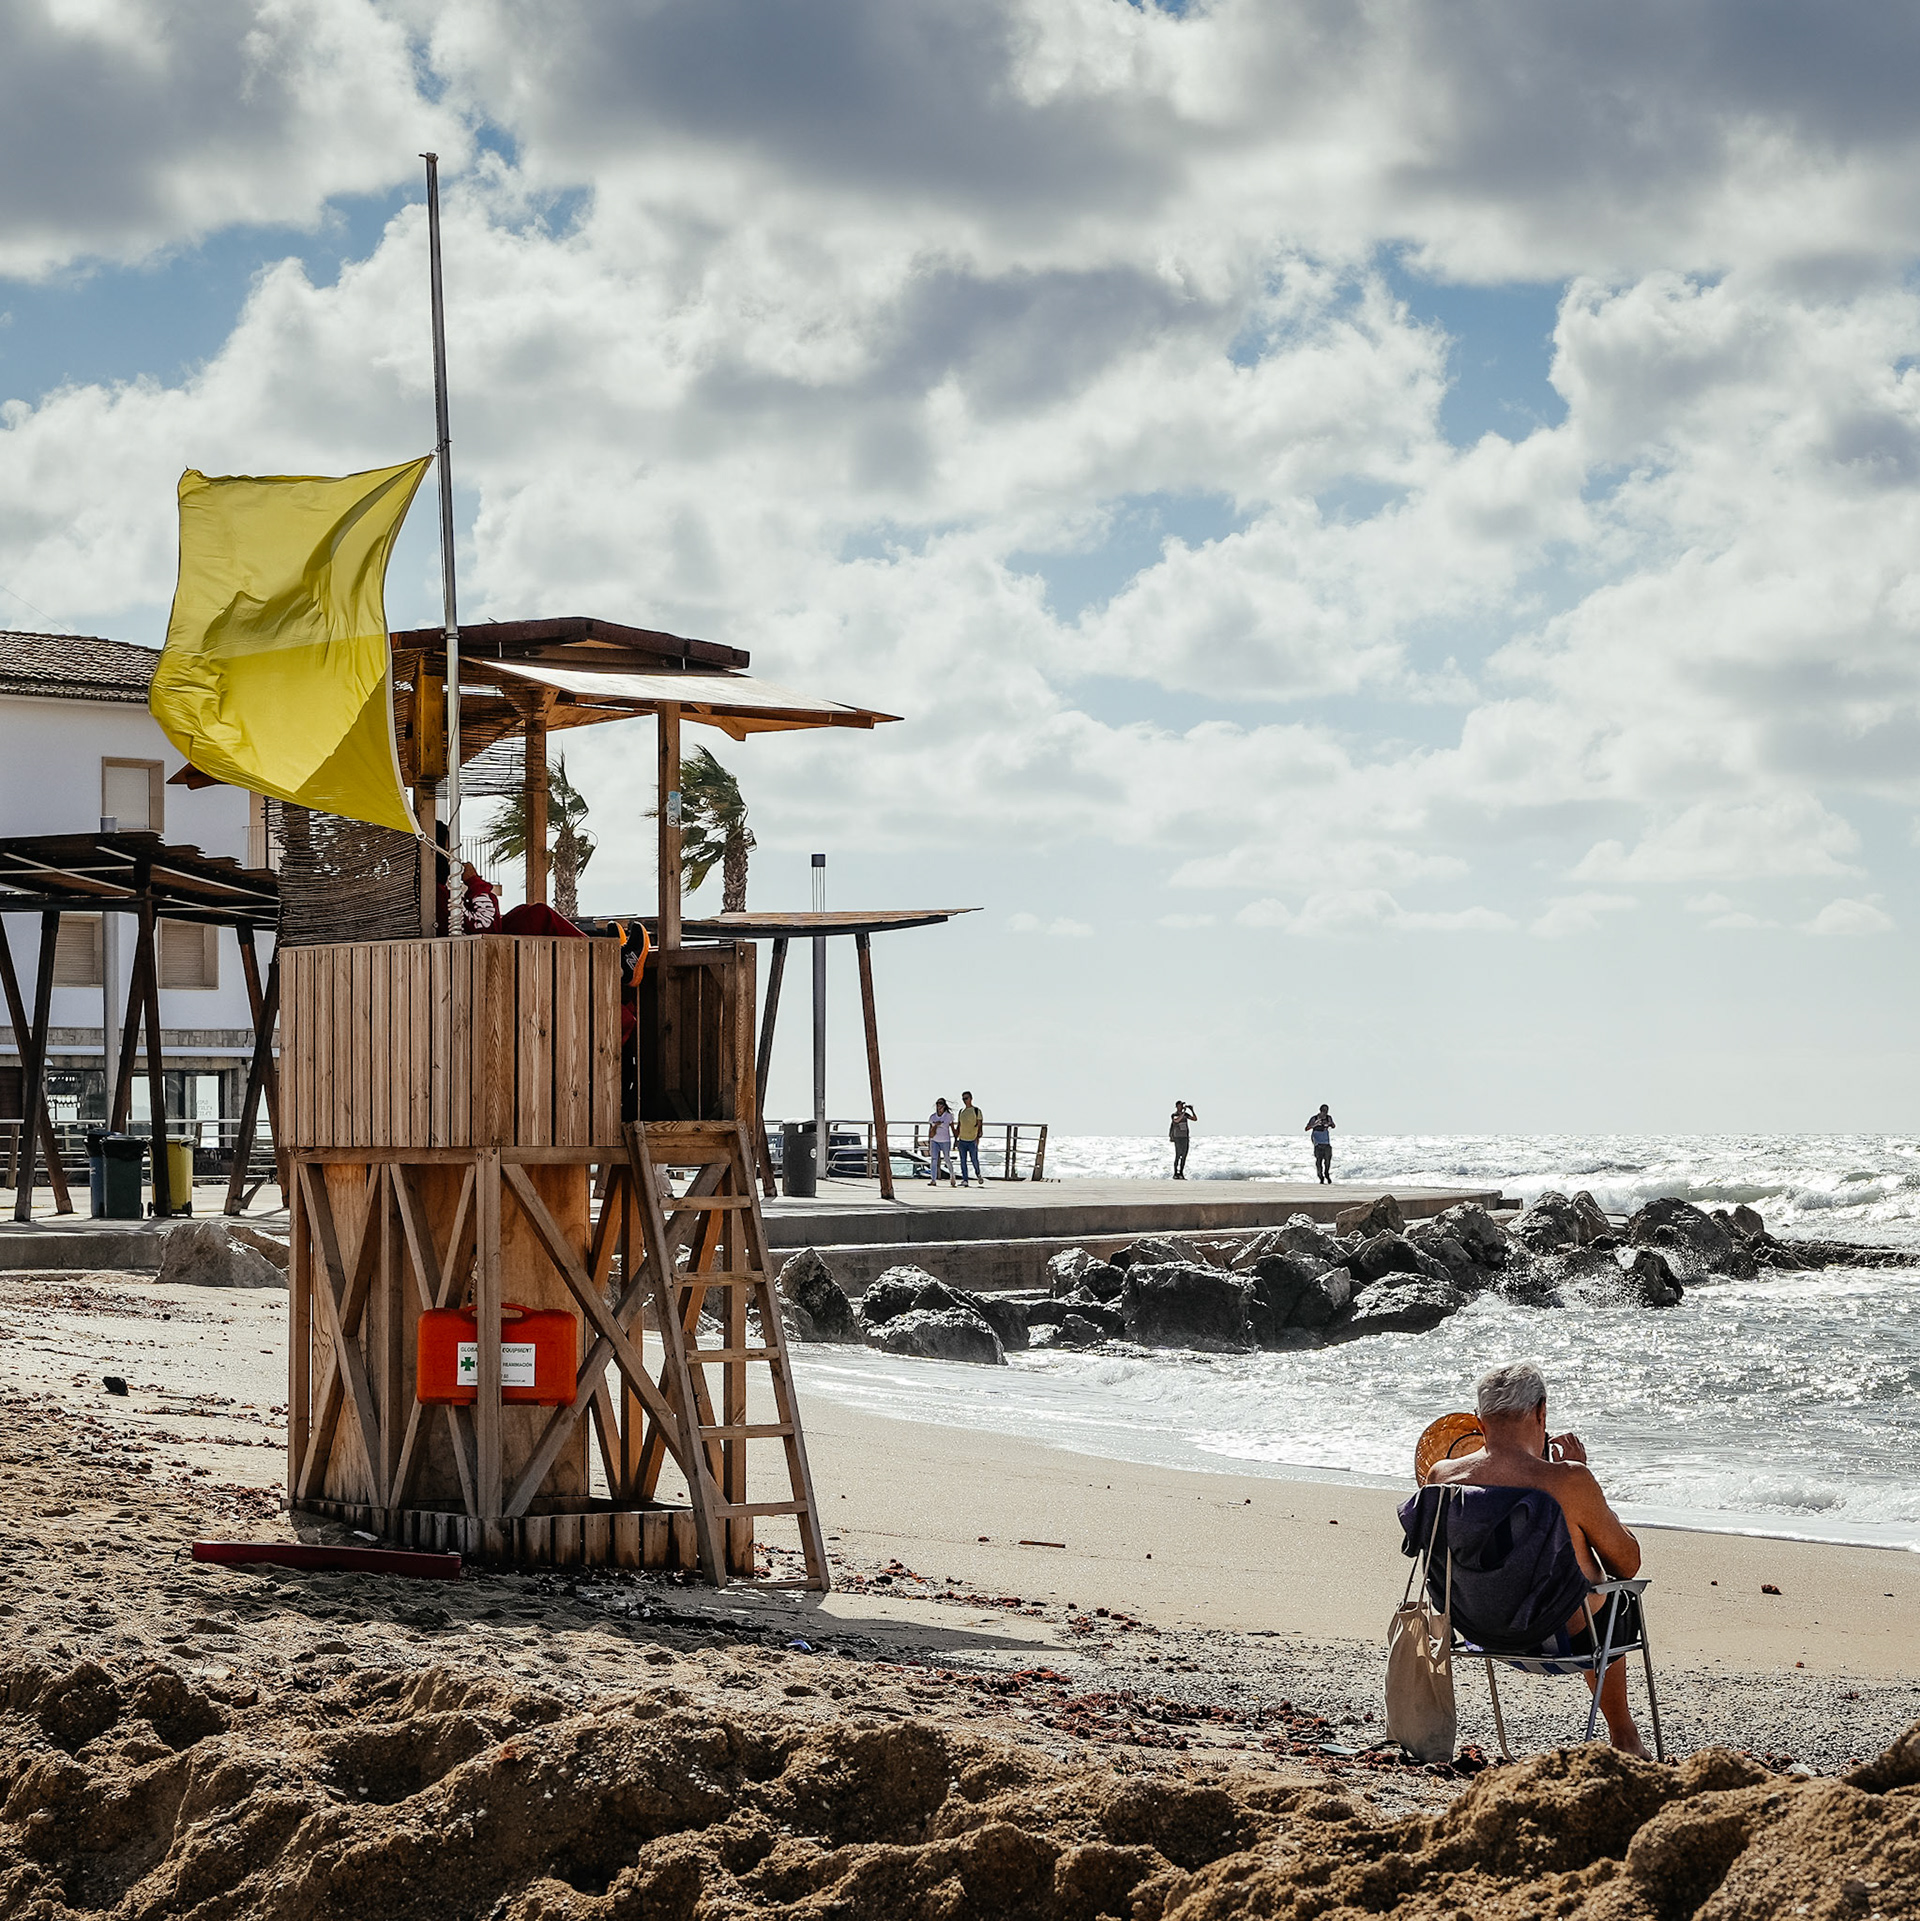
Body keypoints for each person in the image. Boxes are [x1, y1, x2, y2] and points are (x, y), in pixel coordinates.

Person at [1426, 1362, 1649, 1756]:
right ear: (1541, 1412)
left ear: (1479, 1419)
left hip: (1479, 1627)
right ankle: (1624, 1734)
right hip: (1560, 1635)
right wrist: (1584, 1480)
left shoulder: (1442, 1477)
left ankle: (1623, 1734)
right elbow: (1626, 1563)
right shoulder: (1568, 1481)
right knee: (1620, 1599)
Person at [955, 1091, 985, 1186]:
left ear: (971, 1098)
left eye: (966, 1098)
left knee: (974, 1159)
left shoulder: (976, 1110)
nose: (965, 1100)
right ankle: (965, 1180)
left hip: (972, 1139)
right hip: (962, 1139)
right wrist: (956, 1139)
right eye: (963, 1099)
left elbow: (980, 1125)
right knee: (962, 1161)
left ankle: (978, 1174)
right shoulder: (961, 1111)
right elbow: (959, 1126)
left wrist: (978, 1137)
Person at [926, 1097, 956, 1185]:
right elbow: (930, 1130)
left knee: (947, 1158)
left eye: (941, 1104)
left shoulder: (948, 1116)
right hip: (934, 1140)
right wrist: (929, 1140)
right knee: (934, 1159)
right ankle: (933, 1179)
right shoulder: (932, 1117)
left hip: (945, 1140)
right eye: (938, 1104)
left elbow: (952, 1128)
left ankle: (952, 1175)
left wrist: (956, 1139)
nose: (939, 1106)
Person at [1305, 1104, 1336, 1183]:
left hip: (1326, 1143)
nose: (1325, 1113)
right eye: (1323, 1111)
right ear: (1320, 1110)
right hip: (1318, 1143)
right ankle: (1320, 1176)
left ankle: (1326, 1173)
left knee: (1328, 1161)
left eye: (1326, 1111)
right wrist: (1315, 1124)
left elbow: (1333, 1126)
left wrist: (1329, 1124)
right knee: (1319, 1161)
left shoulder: (1329, 1118)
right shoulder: (1314, 1118)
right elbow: (1307, 1128)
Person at [1169, 1100, 1197, 1179]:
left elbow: (1195, 1119)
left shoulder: (1185, 1114)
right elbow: (1176, 1120)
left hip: (1185, 1137)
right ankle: (1175, 1173)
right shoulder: (1174, 1115)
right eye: (1180, 1105)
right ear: (1177, 1106)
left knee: (1184, 1156)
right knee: (1178, 1155)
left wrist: (1192, 1110)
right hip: (1178, 1137)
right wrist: (1183, 1113)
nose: (1181, 1106)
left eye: (1182, 1105)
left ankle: (1181, 1173)